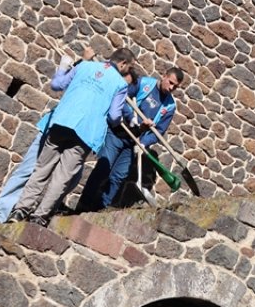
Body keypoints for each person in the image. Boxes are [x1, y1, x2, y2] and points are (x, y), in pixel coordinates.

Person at [9, 48, 136, 224]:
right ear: (122, 64)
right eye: (128, 68)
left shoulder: (84, 66)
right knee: (62, 177)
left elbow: (56, 85)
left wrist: (62, 68)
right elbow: (115, 116)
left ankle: (20, 210)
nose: (127, 72)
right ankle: (40, 216)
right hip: (86, 133)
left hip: (62, 122)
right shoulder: (120, 85)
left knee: (42, 169)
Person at [76, 67, 183, 212]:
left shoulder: (169, 106)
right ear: (163, 76)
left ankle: (98, 211)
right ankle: (82, 206)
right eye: (170, 83)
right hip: (119, 132)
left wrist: (144, 142)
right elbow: (123, 97)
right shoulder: (144, 84)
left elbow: (159, 131)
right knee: (103, 168)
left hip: (134, 143)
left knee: (119, 176)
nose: (171, 88)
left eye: (175, 87)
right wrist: (132, 118)